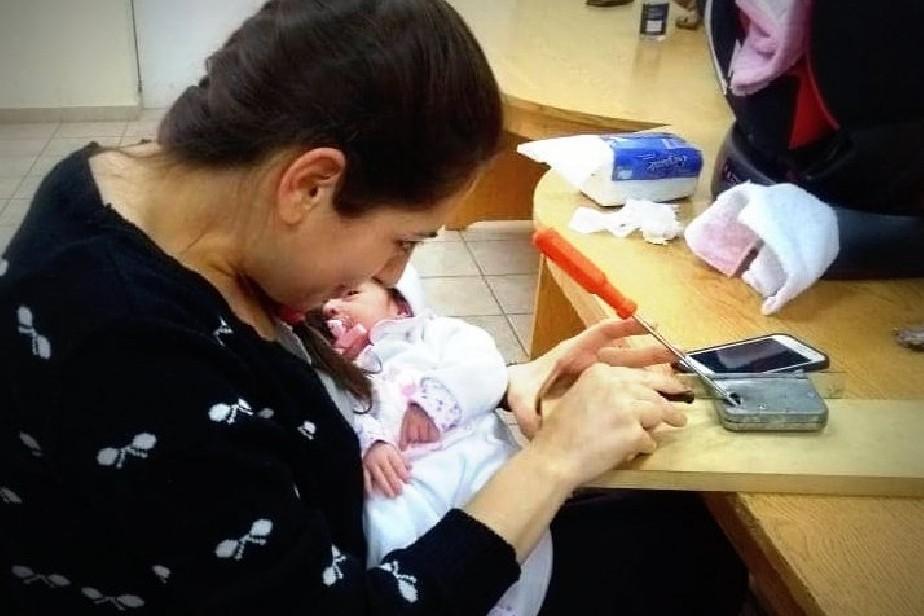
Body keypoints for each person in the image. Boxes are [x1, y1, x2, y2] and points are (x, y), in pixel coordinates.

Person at [0, 0, 746, 614]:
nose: (393, 275)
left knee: (676, 528)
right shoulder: (124, 341)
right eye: (402, 241)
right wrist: (554, 462)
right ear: (310, 185)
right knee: (687, 561)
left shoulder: (158, 194)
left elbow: (279, 413)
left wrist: (495, 390)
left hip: (349, 532)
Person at [318, 276, 553, 616]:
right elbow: (336, 411)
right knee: (383, 524)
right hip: (405, 476)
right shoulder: (340, 369)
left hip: (470, 450)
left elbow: (484, 367)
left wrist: (437, 400)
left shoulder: (437, 334)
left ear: (400, 304)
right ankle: (409, 590)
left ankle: (513, 603)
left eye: (350, 294)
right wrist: (370, 441)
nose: (331, 307)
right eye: (325, 304)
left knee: (517, 510)